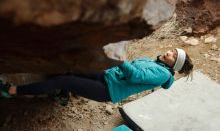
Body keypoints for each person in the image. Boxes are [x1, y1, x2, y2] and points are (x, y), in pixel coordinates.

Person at [0, 48, 193, 105]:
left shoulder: (161, 74)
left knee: (63, 80)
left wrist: (120, 59)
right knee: (72, 69)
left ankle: (12, 90)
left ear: (173, 65)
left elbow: (135, 76)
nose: (170, 53)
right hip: (109, 76)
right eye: (173, 51)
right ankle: (61, 96)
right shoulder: (156, 63)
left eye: (174, 56)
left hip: (108, 89)